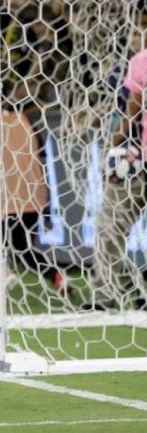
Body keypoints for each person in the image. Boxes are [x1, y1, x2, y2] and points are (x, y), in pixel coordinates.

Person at [87, 11, 147, 311]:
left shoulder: (140, 62)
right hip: (137, 158)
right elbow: (131, 107)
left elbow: (133, 108)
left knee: (110, 224)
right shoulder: (135, 62)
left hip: (136, 154)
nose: (137, 35)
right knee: (110, 223)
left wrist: (115, 140)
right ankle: (108, 292)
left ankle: (108, 294)